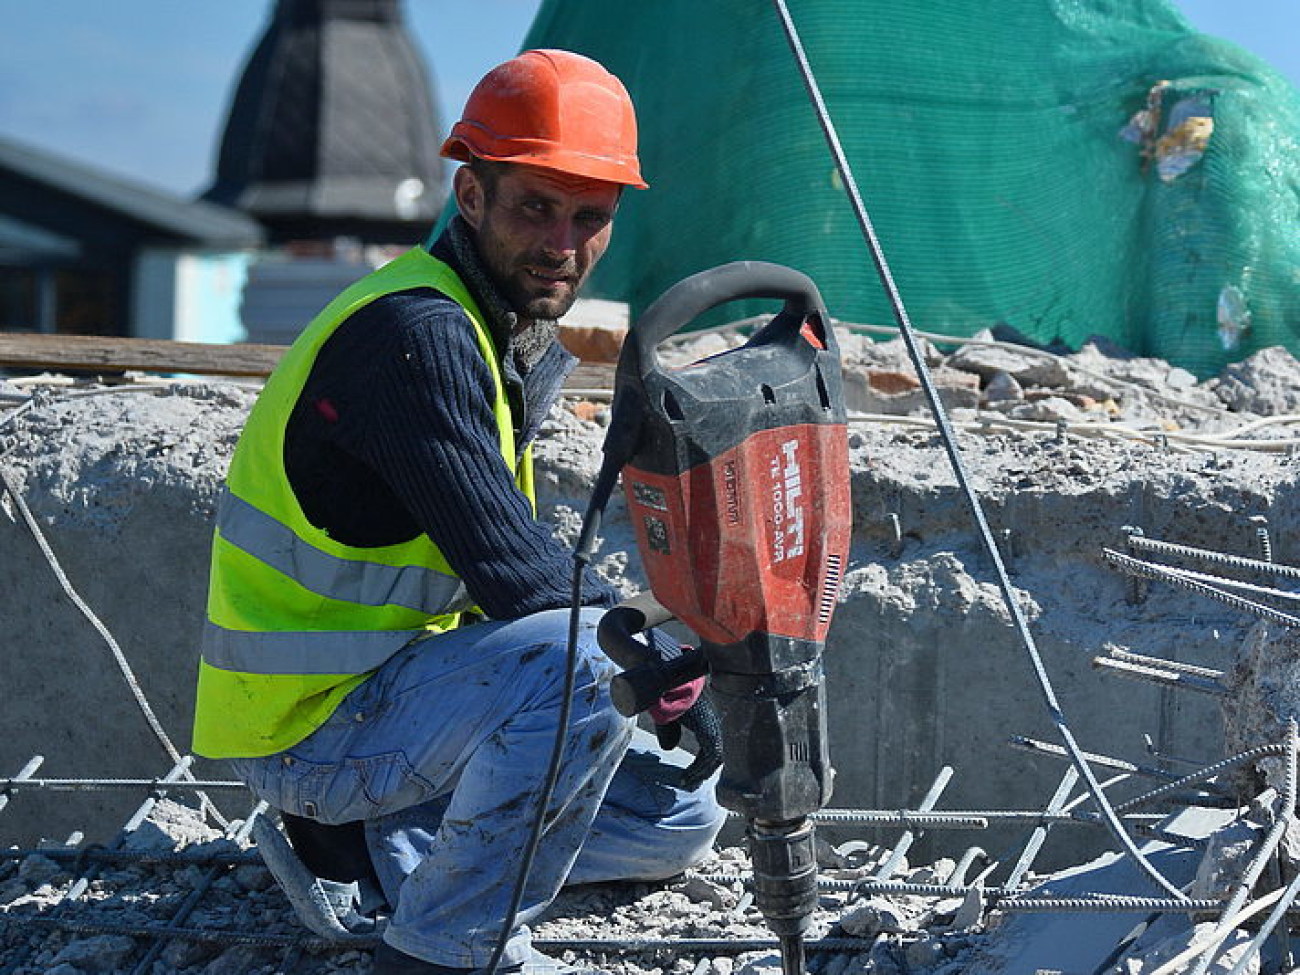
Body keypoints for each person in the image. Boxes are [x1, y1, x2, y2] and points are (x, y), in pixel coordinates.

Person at [191, 49, 725, 975]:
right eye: (534, 207)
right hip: (313, 727)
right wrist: (667, 657)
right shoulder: (415, 334)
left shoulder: (498, 334)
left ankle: (362, 849)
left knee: (682, 817)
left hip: (404, 703)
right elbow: (515, 570)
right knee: (587, 664)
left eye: (590, 216)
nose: (563, 242)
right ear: (470, 195)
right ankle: (444, 949)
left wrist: (668, 665)